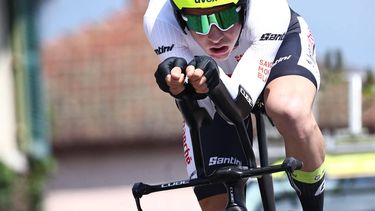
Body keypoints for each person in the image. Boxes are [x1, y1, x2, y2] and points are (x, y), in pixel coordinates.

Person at [144, 0, 326, 210]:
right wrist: (182, 91)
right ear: (179, 16)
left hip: (276, 51)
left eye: (225, 18)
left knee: (288, 110)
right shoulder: (159, 19)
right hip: (216, 76)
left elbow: (240, 106)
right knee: (216, 203)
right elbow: (203, 114)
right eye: (198, 22)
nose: (214, 35)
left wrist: (215, 76)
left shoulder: (267, 8)